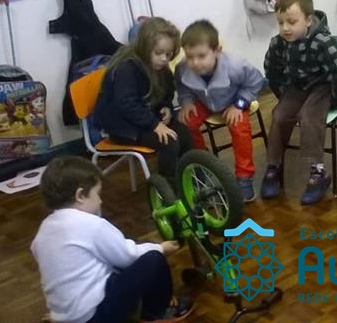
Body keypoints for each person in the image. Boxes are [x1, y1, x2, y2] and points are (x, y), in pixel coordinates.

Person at [31, 156, 193, 323]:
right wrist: (161, 248)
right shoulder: (91, 225)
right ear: (80, 196)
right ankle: (159, 311)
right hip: (95, 315)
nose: (100, 201)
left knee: (112, 260)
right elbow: (128, 256)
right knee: (153, 259)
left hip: (65, 316)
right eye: (97, 194)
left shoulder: (44, 231)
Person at [262, 0, 337, 204]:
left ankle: (318, 172)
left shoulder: (322, 41)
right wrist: (283, 95)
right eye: (281, 22)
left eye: (292, 22)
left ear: (309, 20)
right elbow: (271, 70)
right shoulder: (278, 43)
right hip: (296, 87)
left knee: (309, 118)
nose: (285, 28)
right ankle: (273, 166)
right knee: (279, 115)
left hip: (322, 87)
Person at [175, 19, 265, 202]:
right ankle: (202, 165)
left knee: (239, 127)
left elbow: (256, 82)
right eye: (190, 56)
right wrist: (186, 101)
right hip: (204, 102)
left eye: (201, 56)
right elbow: (182, 85)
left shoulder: (236, 66)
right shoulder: (182, 68)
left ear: (217, 50)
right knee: (186, 122)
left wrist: (239, 104)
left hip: (234, 100)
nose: (195, 62)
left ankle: (244, 177)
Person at [94, 17, 193, 184]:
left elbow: (167, 92)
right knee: (169, 142)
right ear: (145, 47)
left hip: (145, 116)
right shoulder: (126, 68)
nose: (164, 59)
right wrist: (154, 125)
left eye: (168, 54)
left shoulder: (160, 67)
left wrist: (166, 107)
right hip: (123, 126)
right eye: (159, 53)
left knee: (184, 133)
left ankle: (194, 180)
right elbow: (127, 104)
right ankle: (170, 188)